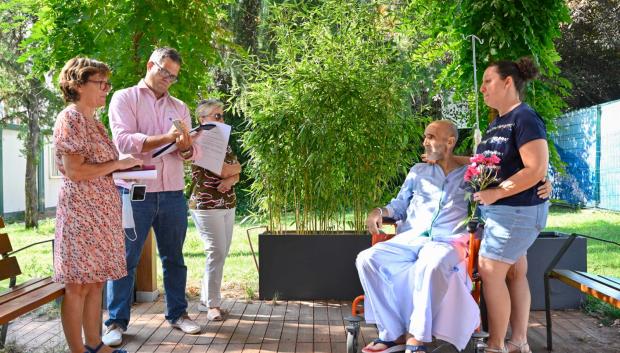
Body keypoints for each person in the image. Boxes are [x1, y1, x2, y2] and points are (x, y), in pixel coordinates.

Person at [103, 47, 200, 347]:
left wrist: (185, 147)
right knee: (125, 259)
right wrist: (169, 138)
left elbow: (188, 154)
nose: (168, 80)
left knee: (174, 258)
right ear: (150, 65)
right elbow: (124, 141)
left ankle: (178, 315)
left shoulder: (180, 106)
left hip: (171, 192)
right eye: (164, 72)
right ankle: (115, 322)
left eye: (173, 77)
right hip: (133, 191)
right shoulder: (123, 98)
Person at [357, 120, 480, 353]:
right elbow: (399, 205)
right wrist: (379, 212)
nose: (425, 142)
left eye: (431, 137)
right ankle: (392, 333)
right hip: (410, 238)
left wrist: (459, 160)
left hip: (447, 240)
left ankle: (416, 337)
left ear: (450, 141)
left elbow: (497, 168)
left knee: (431, 264)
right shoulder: (418, 171)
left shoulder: (471, 175)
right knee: (366, 259)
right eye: (425, 136)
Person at [53, 57, 142, 353]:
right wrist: (118, 163)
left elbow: (101, 166)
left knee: (95, 283)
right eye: (100, 83)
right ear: (77, 85)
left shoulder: (94, 121)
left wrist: (127, 168)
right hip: (80, 214)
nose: (106, 89)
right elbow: (76, 171)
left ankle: (95, 345)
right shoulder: (72, 118)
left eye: (108, 83)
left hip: (101, 212)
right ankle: (79, 351)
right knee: (76, 286)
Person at [474, 57, 549, 353]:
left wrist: (496, 193)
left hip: (515, 211)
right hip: (506, 212)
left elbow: (536, 168)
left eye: (488, 81)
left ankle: (496, 345)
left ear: (508, 82)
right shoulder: (497, 122)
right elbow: (495, 165)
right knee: (515, 272)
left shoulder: (524, 118)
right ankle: (518, 341)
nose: (482, 88)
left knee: (490, 269)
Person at [188, 99, 242, 321]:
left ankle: (205, 300)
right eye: (216, 116)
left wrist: (232, 178)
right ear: (202, 119)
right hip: (206, 205)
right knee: (216, 252)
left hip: (228, 202)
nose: (221, 120)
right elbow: (224, 170)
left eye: (222, 116)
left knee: (221, 253)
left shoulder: (223, 140)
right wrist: (232, 174)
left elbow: (238, 170)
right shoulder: (198, 141)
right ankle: (212, 304)